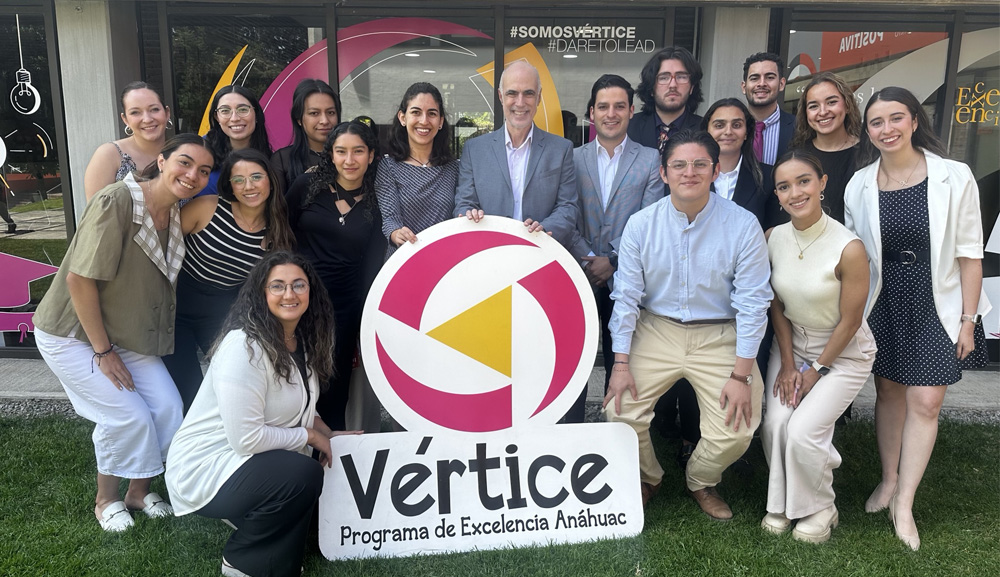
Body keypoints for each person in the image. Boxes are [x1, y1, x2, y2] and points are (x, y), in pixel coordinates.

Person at [31, 134, 214, 532]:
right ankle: (105, 501)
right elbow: (80, 280)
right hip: (75, 334)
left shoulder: (174, 215)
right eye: (184, 163)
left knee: (167, 407)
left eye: (203, 171)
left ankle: (137, 491)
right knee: (126, 415)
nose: (192, 175)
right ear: (162, 161)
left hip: (124, 335)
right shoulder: (117, 200)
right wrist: (103, 352)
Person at [845, 86, 990, 551]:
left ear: (913, 121)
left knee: (926, 401)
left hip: (937, 299)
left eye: (895, 118)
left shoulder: (954, 175)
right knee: (888, 390)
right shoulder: (860, 183)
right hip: (885, 299)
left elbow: (970, 254)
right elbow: (856, 255)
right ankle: (888, 480)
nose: (886, 129)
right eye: (876, 122)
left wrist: (968, 319)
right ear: (867, 131)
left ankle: (905, 502)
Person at [604, 130, 772, 519]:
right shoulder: (641, 225)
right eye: (679, 165)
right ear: (664, 173)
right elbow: (626, 297)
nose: (689, 172)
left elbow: (752, 304)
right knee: (619, 410)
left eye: (699, 164)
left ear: (715, 170)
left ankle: (700, 479)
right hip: (656, 328)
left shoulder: (742, 225)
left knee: (738, 427)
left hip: (719, 332)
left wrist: (742, 376)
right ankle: (650, 477)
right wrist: (621, 364)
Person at [166, 251, 358, 577]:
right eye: (278, 286)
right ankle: (242, 560)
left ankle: (265, 532)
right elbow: (246, 439)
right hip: (209, 465)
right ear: (262, 293)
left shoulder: (302, 343)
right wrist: (311, 437)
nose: (289, 294)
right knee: (303, 475)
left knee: (318, 507)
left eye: (299, 285)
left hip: (254, 460)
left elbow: (302, 408)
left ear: (311, 292)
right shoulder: (245, 346)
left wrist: (329, 434)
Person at [761, 150, 875, 543]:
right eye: (784, 186)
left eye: (804, 181)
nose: (795, 192)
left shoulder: (849, 247)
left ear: (822, 183)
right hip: (793, 345)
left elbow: (851, 321)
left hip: (843, 354)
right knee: (776, 422)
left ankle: (821, 507)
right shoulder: (772, 237)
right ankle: (781, 502)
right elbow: (775, 306)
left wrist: (816, 371)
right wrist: (791, 364)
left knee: (805, 429)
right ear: (776, 195)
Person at [162, 149, 295, 412]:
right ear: (229, 186)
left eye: (256, 177)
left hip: (222, 313)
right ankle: (185, 448)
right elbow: (162, 249)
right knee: (187, 390)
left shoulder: (277, 229)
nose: (249, 186)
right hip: (175, 309)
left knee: (228, 384)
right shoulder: (207, 207)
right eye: (239, 180)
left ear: (270, 180)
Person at [563, 74, 662, 424]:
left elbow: (649, 218)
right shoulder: (570, 158)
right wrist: (589, 257)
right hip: (580, 270)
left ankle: (615, 427)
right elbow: (566, 212)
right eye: (603, 106)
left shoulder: (651, 160)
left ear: (631, 111)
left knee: (623, 356)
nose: (611, 113)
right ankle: (570, 427)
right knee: (575, 355)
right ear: (591, 112)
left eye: (619, 106)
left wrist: (614, 260)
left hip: (628, 274)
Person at [286, 120, 386, 431]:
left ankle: (330, 455)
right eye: (341, 151)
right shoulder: (307, 187)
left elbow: (372, 261)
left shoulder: (377, 199)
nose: (349, 159)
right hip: (298, 300)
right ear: (330, 155)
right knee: (293, 377)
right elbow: (282, 232)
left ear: (371, 156)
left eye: (358, 151)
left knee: (334, 382)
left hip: (345, 305)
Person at [454, 61, 578, 248]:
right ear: (500, 96)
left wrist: (545, 229)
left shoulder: (561, 150)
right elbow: (464, 203)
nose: (520, 102)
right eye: (512, 93)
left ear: (539, 98)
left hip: (542, 253)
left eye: (528, 93)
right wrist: (469, 214)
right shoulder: (474, 150)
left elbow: (568, 207)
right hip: (488, 254)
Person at [376, 82, 458, 259]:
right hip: (403, 261)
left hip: (445, 262)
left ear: (441, 121)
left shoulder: (454, 168)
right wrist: (396, 233)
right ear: (402, 118)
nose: (424, 121)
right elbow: (390, 218)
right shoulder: (389, 167)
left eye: (432, 114)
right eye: (416, 112)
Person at [702, 98, 784, 231]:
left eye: (736, 125)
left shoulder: (768, 177)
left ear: (746, 132)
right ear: (707, 131)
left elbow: (773, 230)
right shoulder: (691, 174)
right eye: (719, 125)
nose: (728, 131)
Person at [790, 72, 862, 224]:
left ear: (848, 105)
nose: (823, 112)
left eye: (831, 102)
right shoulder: (797, 157)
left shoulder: (869, 153)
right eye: (814, 106)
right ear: (806, 113)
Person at [84, 81, 172, 201]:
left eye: (154, 109)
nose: (147, 119)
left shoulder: (181, 154)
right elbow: (97, 214)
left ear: (167, 113)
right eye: (135, 112)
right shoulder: (109, 154)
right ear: (125, 119)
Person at [200, 85, 273, 198]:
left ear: (256, 114)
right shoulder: (200, 150)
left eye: (243, 109)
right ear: (217, 117)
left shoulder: (272, 159)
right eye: (225, 111)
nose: (234, 118)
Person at [627, 46, 704, 153]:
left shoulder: (705, 129)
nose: (673, 85)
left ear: (692, 87)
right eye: (664, 78)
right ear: (651, 88)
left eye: (681, 77)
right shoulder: (628, 127)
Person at [270, 79, 341, 191]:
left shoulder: (350, 157)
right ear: (299, 119)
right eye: (314, 113)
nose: (324, 120)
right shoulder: (283, 160)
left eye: (330, 112)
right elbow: (278, 207)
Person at [741, 53, 795, 165]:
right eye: (754, 78)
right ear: (744, 87)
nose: (761, 84)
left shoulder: (799, 127)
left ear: (781, 84)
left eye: (769, 77)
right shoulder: (730, 128)